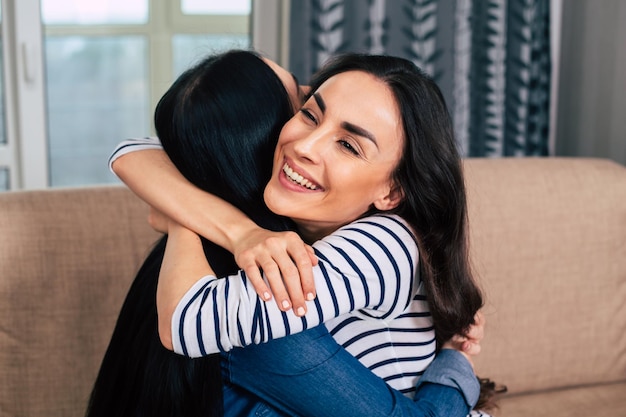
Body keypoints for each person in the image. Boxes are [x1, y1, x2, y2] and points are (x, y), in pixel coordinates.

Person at [107, 50, 495, 416]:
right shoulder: (280, 242)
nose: (305, 145)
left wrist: (184, 216)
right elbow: (133, 152)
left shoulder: (387, 242)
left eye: (348, 145)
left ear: (392, 191)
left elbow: (186, 322)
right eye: (308, 112)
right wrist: (222, 225)